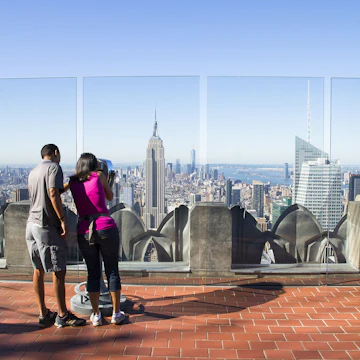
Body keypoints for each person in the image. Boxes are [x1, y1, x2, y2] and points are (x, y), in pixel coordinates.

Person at [26, 144, 86, 328]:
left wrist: (70, 184)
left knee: (38, 270)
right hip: (46, 226)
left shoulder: (34, 171)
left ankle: (44, 313)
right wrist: (62, 219)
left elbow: (51, 191)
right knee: (58, 269)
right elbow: (52, 193)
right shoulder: (54, 167)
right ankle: (62, 315)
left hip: (31, 224)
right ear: (55, 153)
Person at [68, 153, 125, 326]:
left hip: (84, 230)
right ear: (94, 165)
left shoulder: (72, 182)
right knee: (112, 271)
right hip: (105, 226)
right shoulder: (99, 176)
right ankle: (116, 313)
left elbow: (59, 189)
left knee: (92, 273)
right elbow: (109, 196)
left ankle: (96, 315)